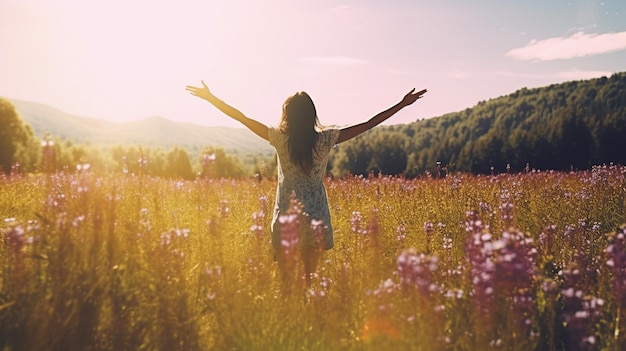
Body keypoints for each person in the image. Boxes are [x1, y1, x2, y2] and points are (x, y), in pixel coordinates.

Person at [186, 81, 427, 285]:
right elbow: (368, 123)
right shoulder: (327, 139)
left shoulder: (279, 139)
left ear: (287, 115)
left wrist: (211, 98)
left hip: (286, 219)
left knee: (288, 287)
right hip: (316, 219)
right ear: (312, 114)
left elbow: (241, 117)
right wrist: (402, 104)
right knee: (309, 284)